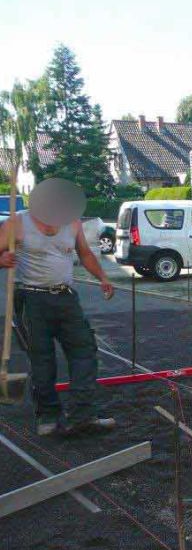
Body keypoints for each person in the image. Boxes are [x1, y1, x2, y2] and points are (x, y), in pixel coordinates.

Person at [0, 178, 116, 436]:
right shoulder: (16, 223)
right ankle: (48, 418)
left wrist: (103, 277)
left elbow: (84, 253)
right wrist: (2, 259)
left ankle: (82, 415)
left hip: (65, 298)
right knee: (42, 360)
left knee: (84, 351)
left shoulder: (72, 222)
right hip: (31, 299)